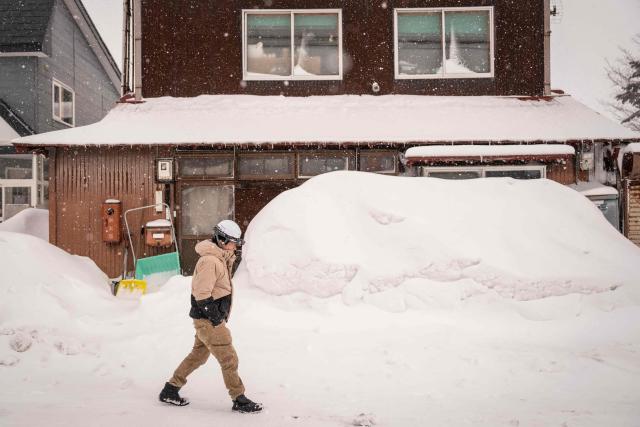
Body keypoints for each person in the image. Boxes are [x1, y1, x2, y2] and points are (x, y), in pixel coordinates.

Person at [159, 220, 263, 414]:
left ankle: (170, 389)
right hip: (209, 320)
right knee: (229, 358)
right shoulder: (210, 261)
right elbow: (201, 294)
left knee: (197, 356)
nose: (235, 246)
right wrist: (216, 319)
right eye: (233, 242)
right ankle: (239, 398)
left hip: (208, 319)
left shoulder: (220, 258)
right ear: (222, 240)